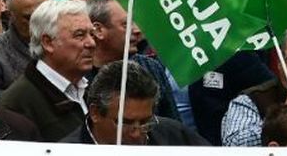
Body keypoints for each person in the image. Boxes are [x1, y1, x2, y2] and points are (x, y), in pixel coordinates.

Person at [0, 0, 96, 142]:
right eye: (80, 35)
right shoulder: (17, 104)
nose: (91, 43)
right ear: (48, 42)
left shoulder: (91, 89)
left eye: (92, 34)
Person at [61, 60, 206, 146]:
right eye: (125, 122)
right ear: (95, 113)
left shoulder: (173, 135)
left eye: (145, 122)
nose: (137, 134)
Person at [87, 0, 179, 122]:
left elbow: (172, 125)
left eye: (138, 22)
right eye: (126, 24)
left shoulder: (151, 68)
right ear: (98, 30)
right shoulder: (80, 75)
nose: (137, 30)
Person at [0, 0, 49, 93]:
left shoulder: (66, 41)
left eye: (43, 14)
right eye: (28, 17)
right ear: (11, 15)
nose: (38, 22)